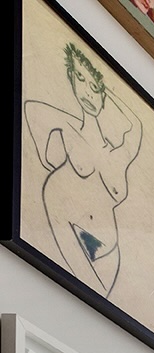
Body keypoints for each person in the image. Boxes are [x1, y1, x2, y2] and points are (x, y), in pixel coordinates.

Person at [24, 45, 141, 298]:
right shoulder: (67, 129)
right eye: (79, 79)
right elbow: (32, 109)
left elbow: (136, 126)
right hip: (70, 228)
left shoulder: (118, 154)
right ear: (71, 81)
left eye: (95, 88)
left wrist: (105, 86)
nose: (88, 91)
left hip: (111, 255)